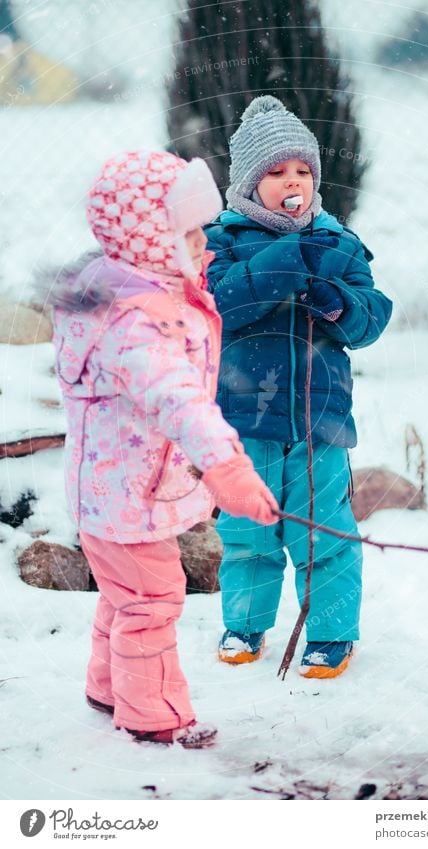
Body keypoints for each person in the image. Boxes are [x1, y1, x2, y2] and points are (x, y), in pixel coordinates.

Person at [49, 150, 279, 746]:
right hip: (128, 492)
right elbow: (178, 399)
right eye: (190, 231)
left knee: (127, 597)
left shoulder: (135, 293)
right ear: (148, 237)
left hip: (121, 490)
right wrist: (226, 464)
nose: (204, 242)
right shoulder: (134, 323)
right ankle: (154, 717)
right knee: (152, 600)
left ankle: (110, 688)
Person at [205, 96, 393, 679]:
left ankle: (331, 635)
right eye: (276, 172)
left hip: (320, 421)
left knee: (325, 535)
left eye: (303, 170)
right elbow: (222, 306)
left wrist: (340, 305)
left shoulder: (339, 244)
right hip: (246, 416)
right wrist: (292, 256)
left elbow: (372, 318)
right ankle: (245, 625)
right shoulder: (222, 242)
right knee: (247, 532)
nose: (293, 182)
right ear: (247, 183)